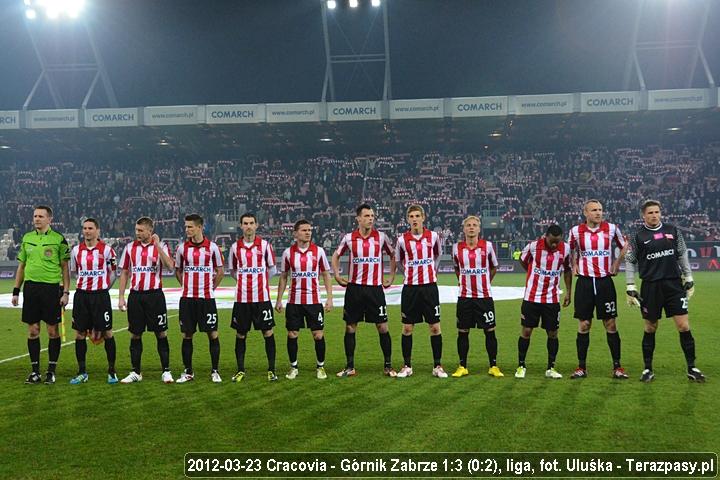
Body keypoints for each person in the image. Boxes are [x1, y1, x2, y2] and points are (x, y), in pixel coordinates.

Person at [625, 200, 705, 382]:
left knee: (684, 326)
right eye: (650, 212)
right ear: (643, 216)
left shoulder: (672, 230)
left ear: (660, 213)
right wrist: (630, 285)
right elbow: (630, 260)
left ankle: (692, 367)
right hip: (650, 286)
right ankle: (647, 369)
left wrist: (689, 277)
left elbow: (682, 253)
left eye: (657, 212)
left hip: (674, 285)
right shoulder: (638, 236)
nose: (654, 215)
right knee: (650, 327)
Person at [331, 204, 397, 378]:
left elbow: (392, 255)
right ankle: (350, 366)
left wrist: (391, 276)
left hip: (375, 289)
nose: (370, 218)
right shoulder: (349, 238)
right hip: (355, 289)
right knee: (351, 327)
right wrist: (337, 275)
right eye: (367, 215)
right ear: (358, 219)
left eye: (372, 216)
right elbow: (336, 255)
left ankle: (388, 366)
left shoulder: (381, 237)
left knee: (382, 327)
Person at [567, 199, 629, 379]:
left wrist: (617, 263)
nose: (598, 213)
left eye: (600, 210)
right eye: (594, 210)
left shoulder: (611, 228)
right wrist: (573, 265)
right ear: (585, 213)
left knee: (610, 323)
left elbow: (624, 245)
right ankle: (581, 367)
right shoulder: (575, 231)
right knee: (584, 324)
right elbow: (568, 251)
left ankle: (617, 367)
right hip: (585, 283)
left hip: (604, 283)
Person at [11, 205, 70, 384]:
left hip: (51, 289)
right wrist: (16, 291)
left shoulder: (59, 239)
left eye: (41, 216)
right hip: (31, 289)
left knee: (52, 331)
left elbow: (65, 268)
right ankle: (35, 371)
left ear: (49, 219)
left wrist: (66, 292)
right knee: (33, 330)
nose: (37, 219)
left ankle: (51, 371)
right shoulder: (27, 238)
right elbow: (21, 267)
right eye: (35, 216)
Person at [117, 217, 175, 384]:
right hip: (136, 296)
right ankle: (136, 372)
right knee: (135, 334)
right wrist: (121, 297)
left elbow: (171, 266)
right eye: (136, 230)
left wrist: (157, 246)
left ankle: (166, 371)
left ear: (150, 231)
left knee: (161, 333)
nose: (137, 233)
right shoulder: (130, 248)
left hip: (155, 296)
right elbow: (125, 272)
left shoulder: (161, 246)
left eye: (141, 230)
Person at [275, 219, 333, 380]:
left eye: (309, 230)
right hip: (294, 302)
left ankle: (320, 367)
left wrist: (329, 298)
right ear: (295, 233)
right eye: (304, 230)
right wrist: (279, 300)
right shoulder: (288, 253)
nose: (308, 232)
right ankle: (293, 367)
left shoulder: (319, 251)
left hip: (314, 302)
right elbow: (284, 276)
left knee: (318, 335)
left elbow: (326, 275)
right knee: (292, 334)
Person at [394, 204, 446, 378]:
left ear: (423, 218)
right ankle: (407, 366)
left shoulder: (433, 236)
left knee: (434, 327)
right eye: (411, 216)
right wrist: (409, 273)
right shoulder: (402, 240)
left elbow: (438, 255)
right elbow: (399, 261)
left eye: (417, 216)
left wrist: (433, 271)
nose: (415, 219)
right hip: (410, 289)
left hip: (430, 288)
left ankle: (437, 366)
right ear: (408, 219)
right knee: (407, 328)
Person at [515, 224, 572, 379]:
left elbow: (567, 270)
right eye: (552, 241)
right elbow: (522, 260)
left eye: (557, 241)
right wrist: (532, 272)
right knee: (526, 331)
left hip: (551, 299)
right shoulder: (533, 247)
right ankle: (521, 366)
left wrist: (568, 292)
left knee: (553, 333)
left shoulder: (565, 249)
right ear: (546, 236)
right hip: (531, 297)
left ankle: (551, 368)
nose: (554, 244)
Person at [228, 213, 278, 382]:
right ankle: (240, 370)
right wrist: (245, 282)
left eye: (251, 223)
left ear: (257, 225)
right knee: (241, 334)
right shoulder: (235, 248)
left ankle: (271, 370)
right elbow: (233, 271)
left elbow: (272, 269)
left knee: (268, 332)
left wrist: (260, 282)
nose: (248, 226)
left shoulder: (265, 246)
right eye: (245, 223)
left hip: (262, 298)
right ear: (241, 226)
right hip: (242, 299)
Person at [451, 216, 503, 378]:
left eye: (474, 225)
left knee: (489, 331)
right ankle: (462, 366)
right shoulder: (456, 248)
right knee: (463, 331)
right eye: (468, 225)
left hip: (484, 297)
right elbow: (456, 268)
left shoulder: (487, 247)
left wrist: (486, 282)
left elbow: (494, 267)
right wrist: (462, 282)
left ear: (479, 229)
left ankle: (493, 366)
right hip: (465, 297)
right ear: (464, 229)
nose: (471, 228)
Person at [174, 214, 224, 383]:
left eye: (190, 226)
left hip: (207, 299)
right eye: (186, 226)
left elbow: (220, 271)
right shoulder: (182, 248)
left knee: (212, 334)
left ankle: (215, 371)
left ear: (200, 227)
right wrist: (186, 286)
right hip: (187, 299)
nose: (187, 229)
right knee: (187, 334)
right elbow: (178, 270)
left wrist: (210, 288)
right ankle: (188, 371)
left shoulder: (213, 248)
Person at [68, 218, 118, 384]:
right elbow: (74, 272)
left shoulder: (107, 250)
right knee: (80, 333)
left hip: (100, 297)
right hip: (82, 297)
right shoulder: (76, 250)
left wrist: (103, 288)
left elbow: (113, 273)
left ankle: (112, 371)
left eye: (90, 228)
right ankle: (82, 372)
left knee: (107, 332)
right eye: (84, 228)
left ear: (98, 231)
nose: (87, 231)